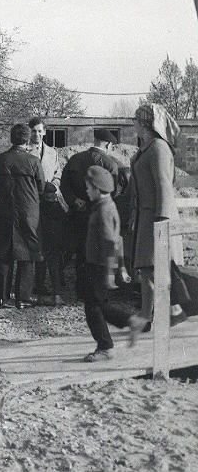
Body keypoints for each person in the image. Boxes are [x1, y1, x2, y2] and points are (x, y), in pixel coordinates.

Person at [128, 103, 186, 332]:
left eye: (135, 119)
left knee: (154, 268)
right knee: (147, 269)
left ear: (144, 123)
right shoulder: (146, 148)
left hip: (157, 217)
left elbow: (163, 185)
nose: (132, 123)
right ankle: (152, 313)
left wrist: (162, 220)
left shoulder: (158, 148)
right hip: (146, 216)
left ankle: (166, 312)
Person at [81, 165, 144, 361]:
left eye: (88, 187)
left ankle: (106, 347)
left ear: (97, 188)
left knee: (93, 308)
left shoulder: (104, 210)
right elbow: (117, 240)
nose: (86, 191)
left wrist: (110, 274)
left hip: (100, 266)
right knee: (99, 304)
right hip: (98, 265)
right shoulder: (105, 206)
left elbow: (111, 243)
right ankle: (132, 321)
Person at [60, 129, 120, 301]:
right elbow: (113, 191)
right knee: (98, 253)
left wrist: (74, 200)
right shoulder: (110, 164)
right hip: (99, 215)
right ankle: (96, 292)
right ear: (108, 144)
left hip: (77, 214)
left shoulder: (75, 159)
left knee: (80, 252)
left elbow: (64, 184)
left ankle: (80, 290)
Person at [0, 124, 45, 309]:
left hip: (5, 212)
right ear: (27, 140)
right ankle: (22, 299)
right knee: (27, 255)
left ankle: (0, 298)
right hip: (29, 213)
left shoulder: (0, 159)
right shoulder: (33, 161)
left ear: (11, 138)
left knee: (4, 254)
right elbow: (41, 187)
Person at [27, 118, 62, 303]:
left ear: (45, 132)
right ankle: (32, 283)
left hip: (48, 203)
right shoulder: (25, 150)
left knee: (49, 243)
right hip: (31, 202)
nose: (37, 134)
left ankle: (42, 283)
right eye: (34, 131)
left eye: (40, 131)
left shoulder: (52, 152)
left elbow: (58, 173)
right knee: (34, 243)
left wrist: (53, 186)